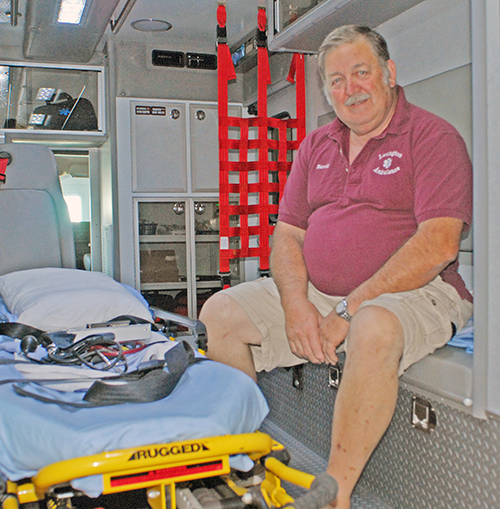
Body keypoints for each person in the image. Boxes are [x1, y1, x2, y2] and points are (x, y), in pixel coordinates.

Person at [199, 24, 473, 509]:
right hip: (327, 296)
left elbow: (438, 246)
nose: (350, 89)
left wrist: (347, 309)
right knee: (219, 311)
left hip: (417, 291)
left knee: (372, 326)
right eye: (336, 81)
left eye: (360, 73)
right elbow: (288, 234)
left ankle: (334, 493)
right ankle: (244, 463)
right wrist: (295, 303)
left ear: (389, 74)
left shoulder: (433, 137)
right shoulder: (316, 145)